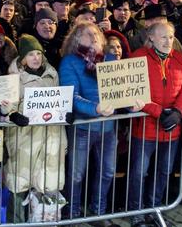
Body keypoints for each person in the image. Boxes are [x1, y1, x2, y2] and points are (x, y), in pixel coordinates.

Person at [59, 22, 127, 221]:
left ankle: (99, 211)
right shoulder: (70, 62)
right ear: (77, 39)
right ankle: (73, 213)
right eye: (88, 34)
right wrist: (95, 108)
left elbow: (122, 91)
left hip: (109, 128)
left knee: (108, 171)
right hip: (82, 128)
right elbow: (71, 96)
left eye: (97, 33)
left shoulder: (110, 60)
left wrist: (131, 103)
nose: (95, 36)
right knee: (76, 175)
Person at [127, 21, 182, 226]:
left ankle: (154, 210)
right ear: (152, 38)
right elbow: (133, 91)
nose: (168, 41)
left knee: (163, 171)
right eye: (163, 37)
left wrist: (179, 112)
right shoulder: (139, 57)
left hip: (171, 128)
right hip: (145, 127)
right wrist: (158, 111)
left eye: (171, 37)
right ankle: (136, 212)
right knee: (139, 173)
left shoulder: (179, 59)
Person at [1, 35, 67, 223]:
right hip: (24, 138)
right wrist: (12, 115)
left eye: (38, 53)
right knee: (20, 183)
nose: (36, 58)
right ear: (23, 57)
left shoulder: (52, 73)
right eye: (31, 54)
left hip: (50, 137)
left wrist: (65, 113)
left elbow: (58, 101)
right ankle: (17, 223)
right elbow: (6, 106)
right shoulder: (13, 76)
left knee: (46, 183)